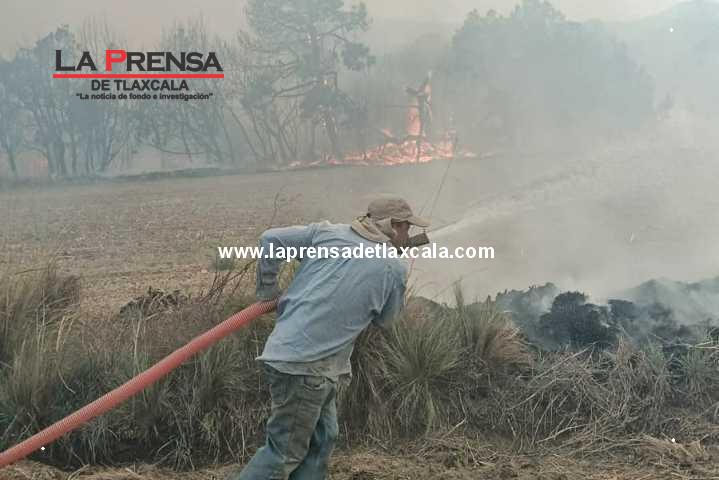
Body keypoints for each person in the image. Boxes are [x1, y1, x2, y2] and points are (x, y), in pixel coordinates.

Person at [232, 196, 429, 480]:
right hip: (307, 368)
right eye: (407, 228)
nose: (408, 234)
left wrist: (268, 290)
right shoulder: (392, 267)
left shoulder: (328, 233)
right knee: (284, 453)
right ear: (393, 226)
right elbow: (387, 322)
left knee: (324, 439)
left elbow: (270, 239)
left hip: (301, 360)